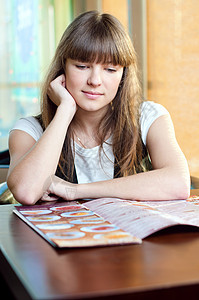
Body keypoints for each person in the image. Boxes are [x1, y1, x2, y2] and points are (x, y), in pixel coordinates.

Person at [7, 11, 190, 205]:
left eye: (110, 69)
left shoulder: (149, 117)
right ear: (63, 67)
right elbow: (26, 192)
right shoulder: (29, 129)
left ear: (123, 77)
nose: (95, 81)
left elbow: (178, 183)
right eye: (82, 66)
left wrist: (76, 191)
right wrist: (65, 110)